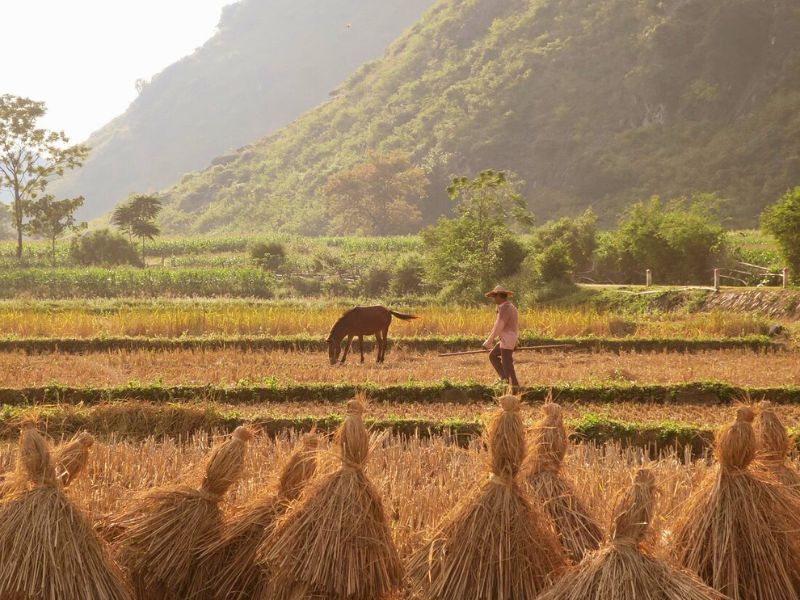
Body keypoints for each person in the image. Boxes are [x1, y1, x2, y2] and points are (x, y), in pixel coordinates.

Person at [482, 285, 519, 390]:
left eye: (494, 297)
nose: (494, 299)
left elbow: (498, 327)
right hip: (508, 339)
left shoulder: (506, 309)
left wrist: (488, 342)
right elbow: (515, 326)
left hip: (507, 340)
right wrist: (516, 340)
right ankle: (505, 380)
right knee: (493, 355)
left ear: (499, 296)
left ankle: (512, 386)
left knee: (507, 364)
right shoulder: (508, 307)